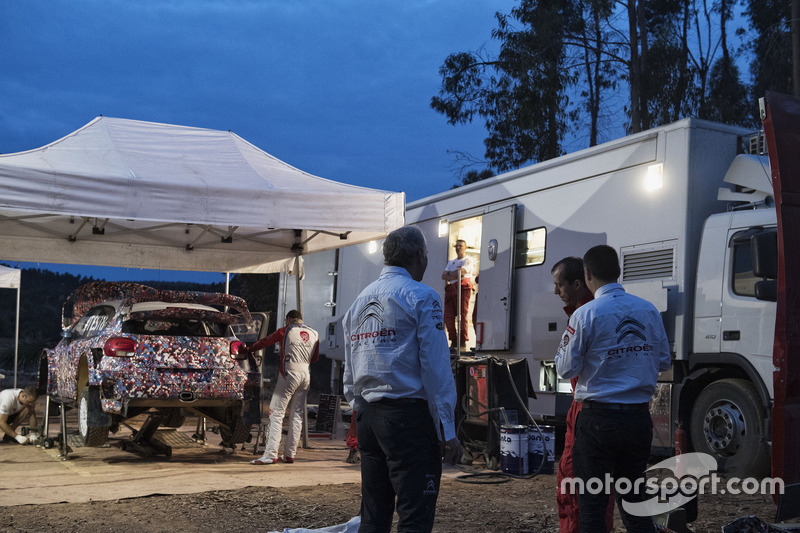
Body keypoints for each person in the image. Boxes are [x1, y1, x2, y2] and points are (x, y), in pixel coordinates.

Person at [343, 225, 463, 533]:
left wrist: (360, 409)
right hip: (408, 418)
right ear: (419, 255)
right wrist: (447, 428)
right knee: (414, 517)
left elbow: (350, 372)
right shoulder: (422, 296)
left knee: (373, 515)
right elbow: (436, 367)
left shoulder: (359, 302)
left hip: (369, 418)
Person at [555, 245, 671, 532]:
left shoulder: (585, 315)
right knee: (635, 505)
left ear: (587, 274)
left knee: (592, 508)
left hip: (598, 421)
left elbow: (565, 368)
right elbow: (664, 360)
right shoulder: (648, 310)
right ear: (618, 271)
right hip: (637, 420)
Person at [551, 257, 613, 533]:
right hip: (617, 410)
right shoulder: (613, 309)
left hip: (586, 408)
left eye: (558, 284)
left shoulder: (584, 313)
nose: (556, 291)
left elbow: (565, 367)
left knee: (573, 483)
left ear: (577, 283)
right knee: (602, 488)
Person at [244, 310, 319, 465]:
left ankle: (270, 454)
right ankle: (290, 454)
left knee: (276, 412)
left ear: (288, 319)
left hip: (288, 374)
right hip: (306, 376)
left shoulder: (285, 331)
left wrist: (249, 350)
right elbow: (315, 358)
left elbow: (265, 342)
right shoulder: (313, 333)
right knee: (297, 415)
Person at [441, 239, 474, 352]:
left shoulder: (468, 260)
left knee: (462, 315)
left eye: (461, 246)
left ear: (465, 248)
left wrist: (452, 274)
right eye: (457, 246)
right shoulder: (451, 262)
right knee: (448, 317)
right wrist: (455, 274)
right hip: (451, 290)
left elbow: (462, 272)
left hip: (462, 288)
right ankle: (453, 340)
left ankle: (462, 341)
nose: (458, 247)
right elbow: (444, 276)